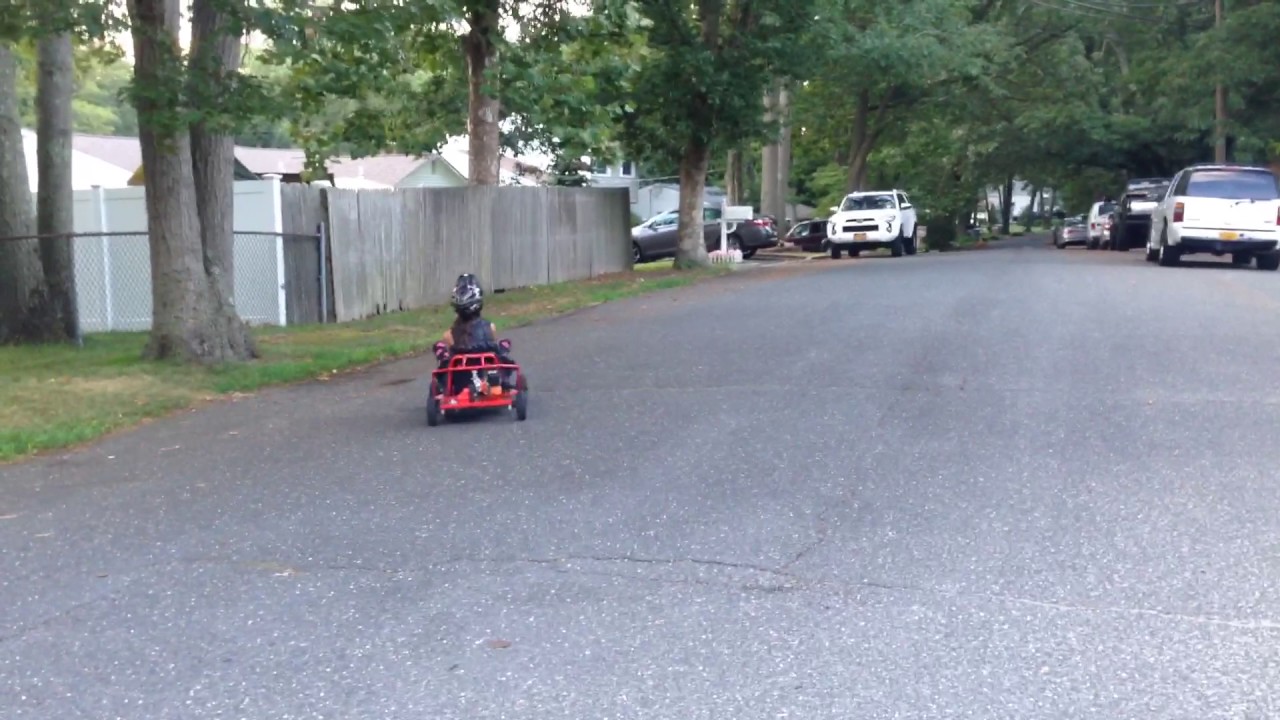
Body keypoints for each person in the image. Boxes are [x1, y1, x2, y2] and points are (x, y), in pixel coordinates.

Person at [432, 274, 515, 395]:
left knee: (439, 346)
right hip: (486, 376)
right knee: (504, 344)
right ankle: (502, 382)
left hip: (460, 382)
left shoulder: (449, 335)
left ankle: (445, 387)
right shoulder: (490, 327)